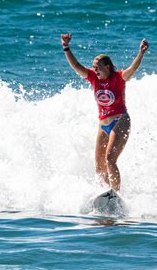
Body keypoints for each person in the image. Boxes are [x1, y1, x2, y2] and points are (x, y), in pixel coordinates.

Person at [61, 33, 149, 191]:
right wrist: (66, 47)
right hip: (103, 125)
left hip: (120, 120)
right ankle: (105, 192)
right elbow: (76, 66)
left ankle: (116, 194)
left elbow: (133, 68)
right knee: (99, 164)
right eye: (94, 68)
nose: (95, 71)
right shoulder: (93, 78)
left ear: (107, 67)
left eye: (98, 68)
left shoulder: (119, 77)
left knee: (110, 159)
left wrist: (141, 53)